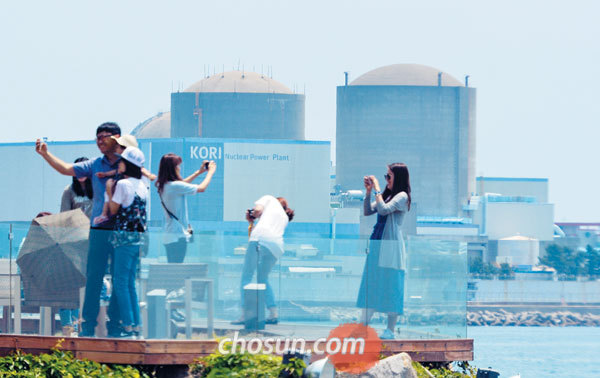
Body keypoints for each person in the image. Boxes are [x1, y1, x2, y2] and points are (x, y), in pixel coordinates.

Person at [35, 122, 123, 337]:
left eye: (106, 136)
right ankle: (80, 328)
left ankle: (116, 327)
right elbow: (65, 170)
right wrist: (46, 154)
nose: (101, 140)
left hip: (118, 232)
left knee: (118, 280)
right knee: (79, 280)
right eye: (98, 136)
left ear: (118, 137)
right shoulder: (90, 170)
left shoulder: (127, 164)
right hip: (84, 238)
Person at [356, 163, 411, 340]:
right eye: (385, 176)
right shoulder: (386, 196)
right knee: (372, 284)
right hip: (378, 245)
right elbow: (367, 211)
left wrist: (378, 189)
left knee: (391, 286)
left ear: (398, 178)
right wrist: (368, 192)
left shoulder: (402, 196)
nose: (386, 179)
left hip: (391, 248)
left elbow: (384, 209)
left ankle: (390, 330)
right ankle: (363, 325)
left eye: (389, 176)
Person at [105, 146, 148, 338]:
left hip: (122, 240)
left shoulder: (123, 185)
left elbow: (113, 210)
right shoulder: (143, 185)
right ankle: (136, 324)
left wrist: (108, 191)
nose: (118, 163)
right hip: (138, 240)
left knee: (120, 282)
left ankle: (128, 325)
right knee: (130, 283)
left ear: (128, 164)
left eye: (121, 161)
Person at [233, 195, 294, 325]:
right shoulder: (284, 218)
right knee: (262, 278)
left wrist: (252, 214)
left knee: (247, 276)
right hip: (276, 248)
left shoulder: (268, 198)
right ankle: (273, 313)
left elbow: (258, 211)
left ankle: (245, 314)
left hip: (260, 240)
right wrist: (252, 221)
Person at [156, 153, 217, 263]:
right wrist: (211, 172)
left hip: (170, 235)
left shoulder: (164, 185)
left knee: (173, 268)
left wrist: (199, 172)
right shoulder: (174, 186)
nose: (179, 168)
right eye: (177, 166)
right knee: (176, 269)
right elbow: (201, 188)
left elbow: (182, 184)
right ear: (172, 168)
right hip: (177, 236)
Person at [58, 157, 93, 336]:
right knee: (69, 285)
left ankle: (84, 327)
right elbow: (63, 217)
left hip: (94, 240)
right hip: (73, 242)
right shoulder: (69, 191)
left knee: (89, 286)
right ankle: (68, 329)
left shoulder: (98, 189)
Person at [93, 135, 156, 226]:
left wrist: (109, 188)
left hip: (124, 234)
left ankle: (104, 214)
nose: (115, 147)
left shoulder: (125, 182)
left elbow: (114, 210)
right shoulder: (138, 182)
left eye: (118, 145)